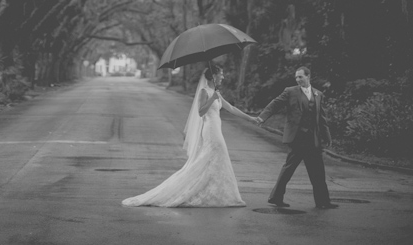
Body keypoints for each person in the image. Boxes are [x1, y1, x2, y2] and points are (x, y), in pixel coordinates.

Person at [122, 64, 256, 207]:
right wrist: (212, 99)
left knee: (214, 159)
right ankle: (207, 190)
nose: (223, 77)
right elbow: (200, 112)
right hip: (210, 130)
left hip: (217, 129)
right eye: (221, 74)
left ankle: (218, 192)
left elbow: (231, 108)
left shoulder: (216, 92)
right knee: (215, 156)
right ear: (214, 76)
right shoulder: (205, 92)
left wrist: (251, 119)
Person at [256, 65, 337, 209]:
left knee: (318, 171)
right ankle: (276, 197)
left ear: (308, 76)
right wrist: (262, 117)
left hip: (313, 139)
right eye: (296, 77)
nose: (298, 79)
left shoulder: (318, 94)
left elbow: (322, 118)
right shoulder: (290, 92)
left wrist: (327, 136)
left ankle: (323, 202)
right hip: (297, 138)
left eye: (300, 76)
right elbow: (275, 104)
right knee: (288, 169)